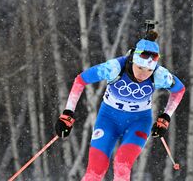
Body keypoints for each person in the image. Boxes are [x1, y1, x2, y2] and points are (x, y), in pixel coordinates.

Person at [54, 30, 185, 181]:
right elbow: (80, 80)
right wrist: (67, 113)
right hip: (108, 119)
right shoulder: (114, 67)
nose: (144, 74)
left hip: (139, 122)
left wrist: (165, 116)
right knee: (94, 171)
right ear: (132, 60)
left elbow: (179, 90)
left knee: (122, 164)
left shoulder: (160, 75)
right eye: (140, 68)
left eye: (149, 70)